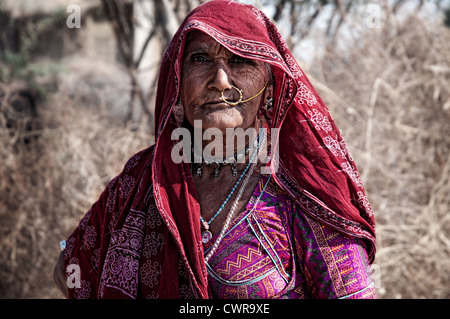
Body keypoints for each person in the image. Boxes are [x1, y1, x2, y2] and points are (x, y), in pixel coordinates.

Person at [54, 0, 377, 299]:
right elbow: (70, 266)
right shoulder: (141, 180)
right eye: (200, 59)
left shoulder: (302, 190)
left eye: (240, 61)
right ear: (177, 86)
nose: (220, 79)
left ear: (268, 88)